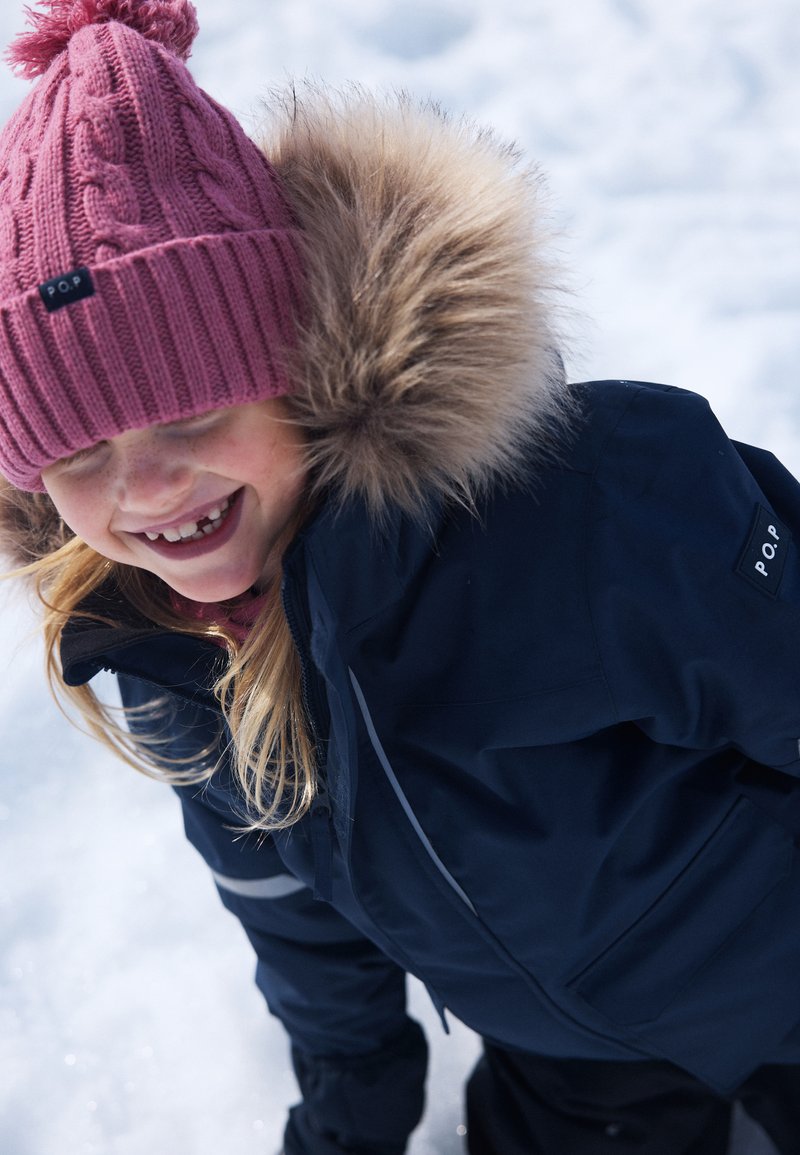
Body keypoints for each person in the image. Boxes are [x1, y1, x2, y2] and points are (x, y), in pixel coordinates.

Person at [1, 2, 800, 1153]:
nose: (146, 488)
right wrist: (352, 1099)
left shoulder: (585, 508)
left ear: (302, 370)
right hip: (571, 1070)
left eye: (192, 412)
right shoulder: (164, 646)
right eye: (79, 456)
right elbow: (289, 910)